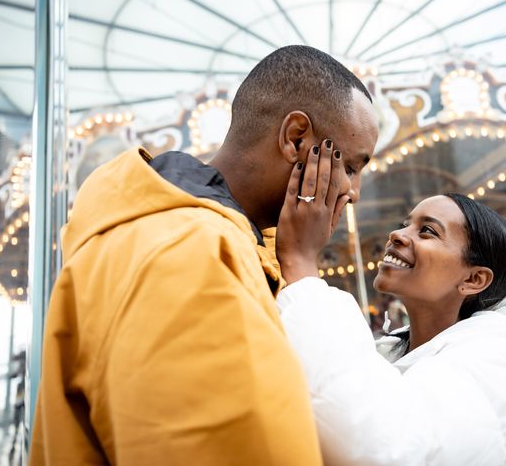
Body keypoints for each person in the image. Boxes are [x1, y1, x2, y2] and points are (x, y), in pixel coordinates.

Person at [29, 45, 379, 465]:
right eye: (352, 166)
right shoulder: (191, 252)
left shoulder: (181, 232)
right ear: (295, 138)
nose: (353, 192)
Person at [275, 164, 506, 464]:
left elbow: (386, 449)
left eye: (427, 231)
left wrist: (301, 267)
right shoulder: (392, 353)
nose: (398, 234)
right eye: (406, 223)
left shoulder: (501, 363)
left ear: (473, 280)